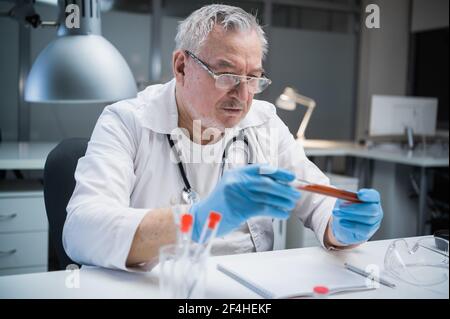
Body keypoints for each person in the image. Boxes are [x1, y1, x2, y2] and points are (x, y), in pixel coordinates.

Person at [63, 4, 383, 271]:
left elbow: (317, 200)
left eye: (253, 78)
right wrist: (197, 220)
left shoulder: (263, 123)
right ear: (181, 66)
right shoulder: (126, 122)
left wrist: (340, 228)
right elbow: (81, 231)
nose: (242, 95)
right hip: (162, 289)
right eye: (226, 75)